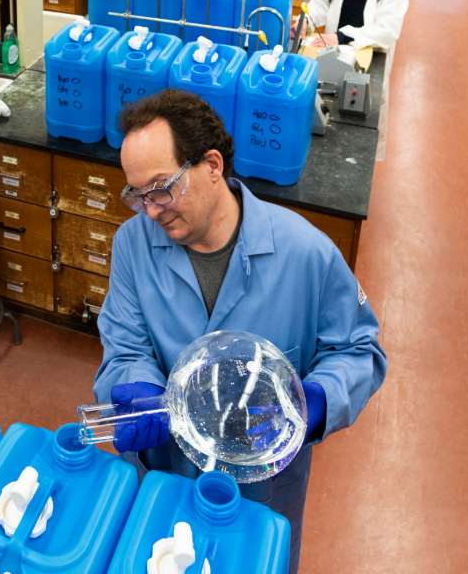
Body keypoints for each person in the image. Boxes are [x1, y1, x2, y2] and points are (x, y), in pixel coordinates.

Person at [93, 90, 387, 574]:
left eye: (162, 188)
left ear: (212, 165)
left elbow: (360, 351)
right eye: (137, 194)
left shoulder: (305, 253)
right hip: (164, 476)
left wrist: (315, 402)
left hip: (261, 493)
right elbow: (124, 344)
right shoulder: (133, 246)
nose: (150, 210)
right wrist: (136, 387)